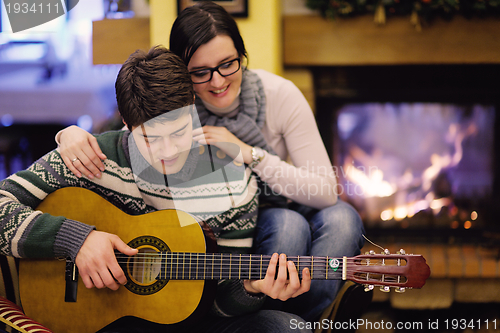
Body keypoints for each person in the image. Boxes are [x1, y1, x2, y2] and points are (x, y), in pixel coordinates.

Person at [55, 1, 368, 325]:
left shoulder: (279, 95)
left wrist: (249, 154)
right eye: (200, 73)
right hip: (241, 221)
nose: (217, 81)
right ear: (183, 74)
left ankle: (312, 321)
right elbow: (130, 134)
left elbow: (325, 192)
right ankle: (271, 317)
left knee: (343, 218)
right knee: (289, 226)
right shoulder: (176, 112)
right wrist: (70, 134)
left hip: (284, 197)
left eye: (228, 64)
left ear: (242, 57)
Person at [0, 46, 313, 333]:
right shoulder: (88, 159)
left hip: (192, 323)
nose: (168, 152)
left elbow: (218, 304)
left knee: (288, 326)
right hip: (101, 320)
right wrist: (76, 240)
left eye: (178, 132)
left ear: (192, 106)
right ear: (126, 121)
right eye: (150, 139)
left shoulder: (233, 183)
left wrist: (251, 289)